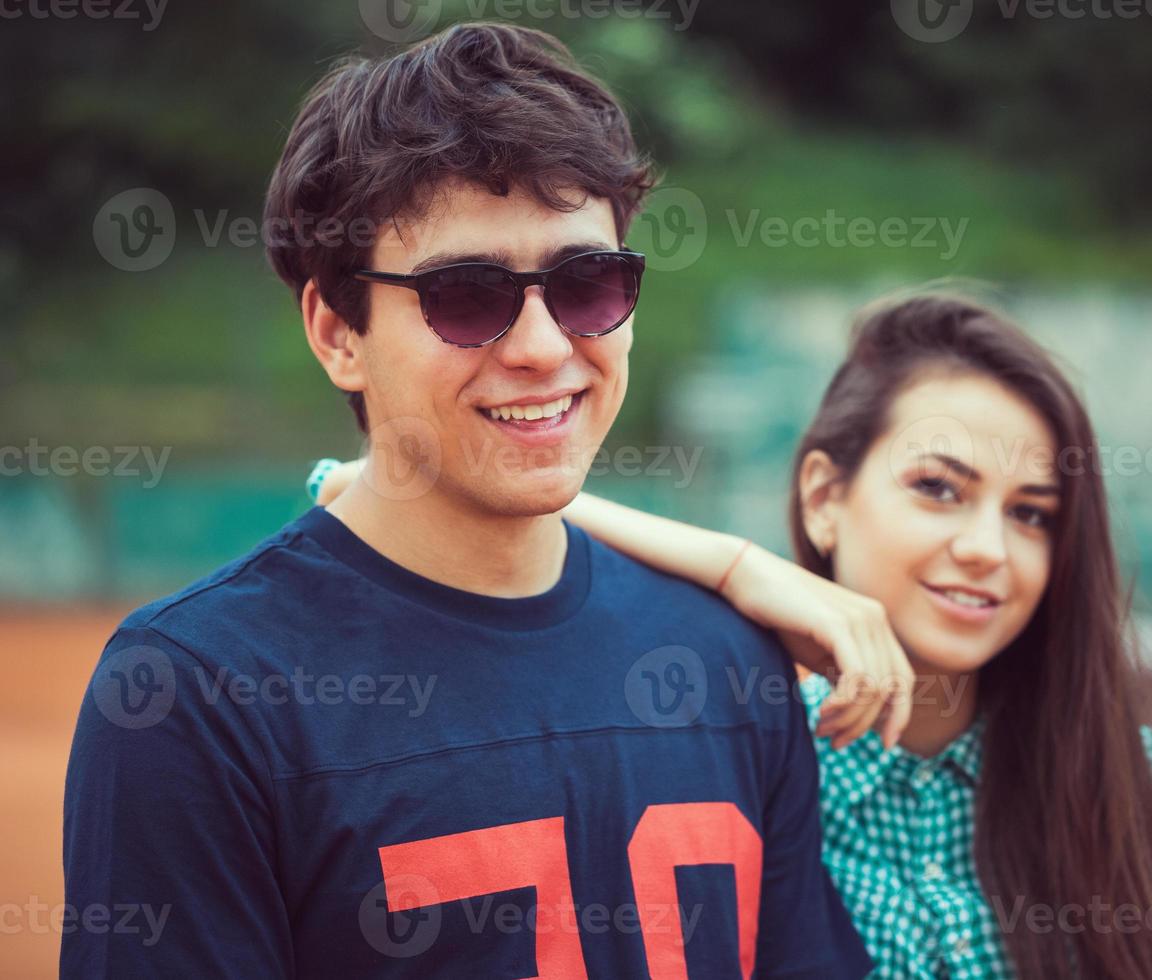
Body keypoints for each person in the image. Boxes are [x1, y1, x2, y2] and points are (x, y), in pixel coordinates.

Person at [61, 24, 872, 978]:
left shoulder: (730, 659)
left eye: (587, 281)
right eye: (467, 294)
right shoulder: (197, 699)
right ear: (336, 331)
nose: (540, 346)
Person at [315, 290, 1152, 978]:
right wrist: (736, 564)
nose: (986, 550)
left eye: (1034, 513)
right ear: (823, 499)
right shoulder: (732, 775)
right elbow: (351, 480)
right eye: (938, 488)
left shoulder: (1150, 792)